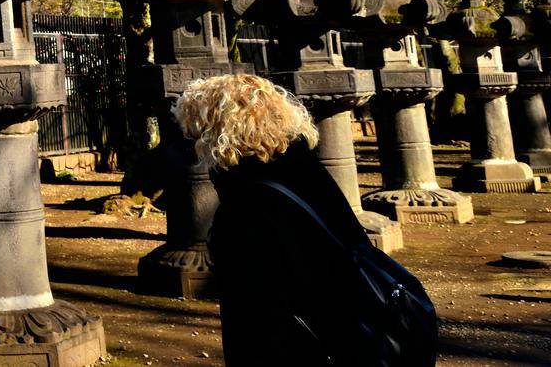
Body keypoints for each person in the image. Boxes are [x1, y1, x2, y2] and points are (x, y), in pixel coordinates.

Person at [173, 73, 434, 367]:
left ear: (215, 130)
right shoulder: (304, 170)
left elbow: (256, 313)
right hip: (356, 330)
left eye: (194, 130)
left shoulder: (247, 202)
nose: (190, 140)